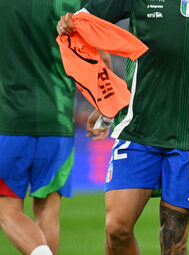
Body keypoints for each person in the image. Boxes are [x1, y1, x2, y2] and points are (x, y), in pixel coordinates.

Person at [58, 0, 189, 254]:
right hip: (138, 125)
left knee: (173, 240)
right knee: (117, 228)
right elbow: (82, 25)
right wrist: (107, 96)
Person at [0, 1, 111, 254]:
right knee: (48, 211)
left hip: (11, 121)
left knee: (7, 210)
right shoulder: (72, 3)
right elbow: (101, 55)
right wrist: (104, 109)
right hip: (58, 123)